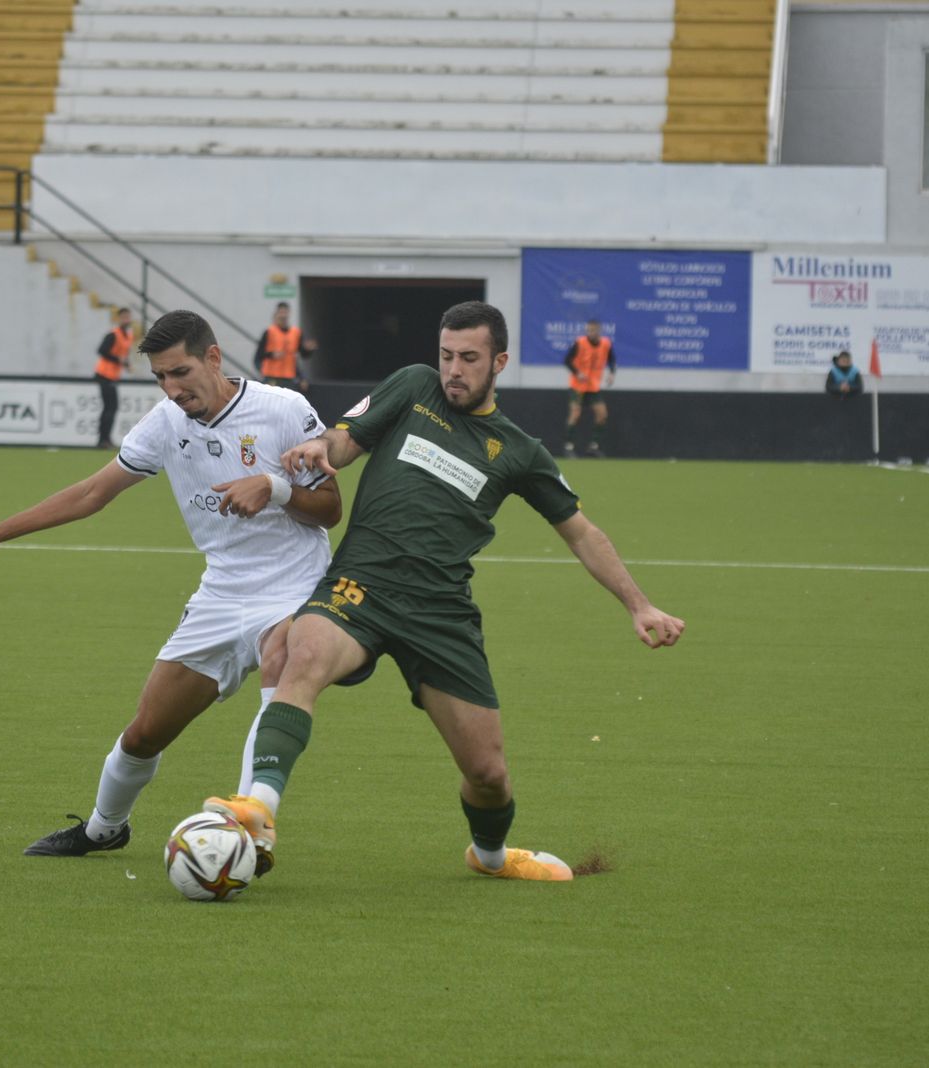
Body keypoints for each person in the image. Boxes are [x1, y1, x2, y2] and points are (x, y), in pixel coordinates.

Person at [202, 301, 686, 884]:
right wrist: (320, 451)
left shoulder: (519, 451)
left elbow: (582, 532)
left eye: (470, 359)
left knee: (488, 774)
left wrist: (640, 605)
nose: (454, 369)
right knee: (299, 653)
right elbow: (345, 442)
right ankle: (260, 810)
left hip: (439, 613)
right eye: (447, 356)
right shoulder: (413, 387)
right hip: (361, 585)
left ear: (499, 362)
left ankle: (489, 856)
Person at [0, 310, 342, 861]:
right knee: (146, 733)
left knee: (283, 655)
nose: (172, 389)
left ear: (213, 358)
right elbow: (91, 493)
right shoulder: (166, 423)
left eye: (181, 372)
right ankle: (105, 828)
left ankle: (251, 824)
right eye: (160, 378)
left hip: (294, 587)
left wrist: (275, 488)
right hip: (221, 594)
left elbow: (330, 511)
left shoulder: (284, 410)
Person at [563, 318, 616, 456]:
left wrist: (612, 373)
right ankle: (569, 446)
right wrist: (577, 373)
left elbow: (612, 359)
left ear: (599, 330)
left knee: (602, 414)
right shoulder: (580, 342)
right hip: (578, 386)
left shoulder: (606, 343)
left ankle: (594, 445)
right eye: (589, 330)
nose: (591, 332)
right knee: (575, 414)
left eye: (594, 330)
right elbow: (567, 360)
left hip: (593, 386)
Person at [94, 307, 134, 447]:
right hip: (104, 374)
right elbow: (101, 350)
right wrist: (118, 360)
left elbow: (122, 355)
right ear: (118, 319)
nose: (126, 319)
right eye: (123, 317)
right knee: (110, 407)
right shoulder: (113, 334)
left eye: (128, 317)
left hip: (113, 375)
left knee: (111, 407)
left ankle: (105, 439)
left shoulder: (128, 335)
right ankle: (103, 440)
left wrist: (126, 364)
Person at [254, 302, 315, 391]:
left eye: (285, 312)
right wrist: (271, 355)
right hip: (271, 377)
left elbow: (303, 355)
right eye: (281, 312)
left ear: (289, 313)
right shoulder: (269, 332)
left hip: (289, 378)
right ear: (276, 314)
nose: (283, 315)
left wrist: (308, 350)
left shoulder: (296, 332)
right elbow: (258, 355)